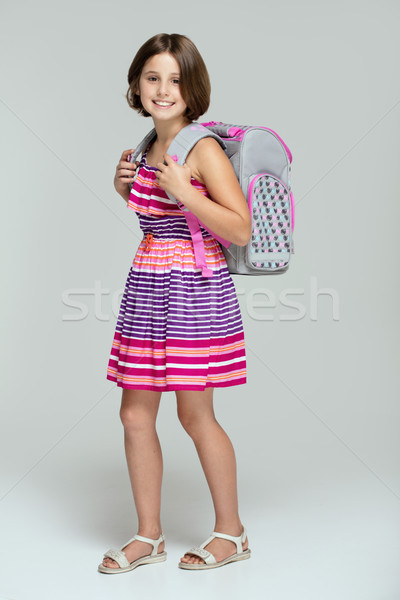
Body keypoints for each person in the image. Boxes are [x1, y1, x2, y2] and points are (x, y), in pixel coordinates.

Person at [98, 33, 252, 574]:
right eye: (153, 78)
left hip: (194, 292)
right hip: (147, 288)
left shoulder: (202, 147)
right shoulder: (145, 146)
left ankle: (231, 534)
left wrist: (187, 193)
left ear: (193, 88)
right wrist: (128, 193)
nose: (164, 90)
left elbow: (238, 228)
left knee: (194, 413)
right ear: (137, 85)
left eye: (176, 79)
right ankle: (148, 536)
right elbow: (161, 225)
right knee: (134, 413)